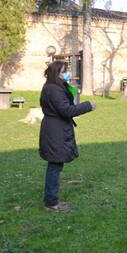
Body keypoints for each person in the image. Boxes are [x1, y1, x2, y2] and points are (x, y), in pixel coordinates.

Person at [39, 61, 96, 212]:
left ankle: (51, 200)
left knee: (55, 166)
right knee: (55, 166)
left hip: (54, 129)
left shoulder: (53, 87)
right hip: (55, 131)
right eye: (64, 71)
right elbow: (66, 110)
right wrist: (88, 106)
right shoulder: (54, 89)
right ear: (57, 73)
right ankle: (51, 203)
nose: (67, 74)